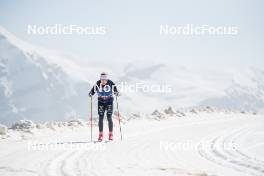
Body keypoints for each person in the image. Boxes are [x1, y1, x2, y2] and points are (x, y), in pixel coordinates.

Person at [89, 72, 119, 141]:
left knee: (109, 117)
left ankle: (111, 134)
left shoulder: (111, 83)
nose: (103, 81)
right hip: (101, 102)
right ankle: (100, 135)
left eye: (104, 80)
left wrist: (116, 92)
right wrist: (91, 93)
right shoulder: (98, 83)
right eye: (102, 80)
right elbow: (93, 90)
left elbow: (115, 90)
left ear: (107, 80)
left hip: (109, 102)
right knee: (101, 117)